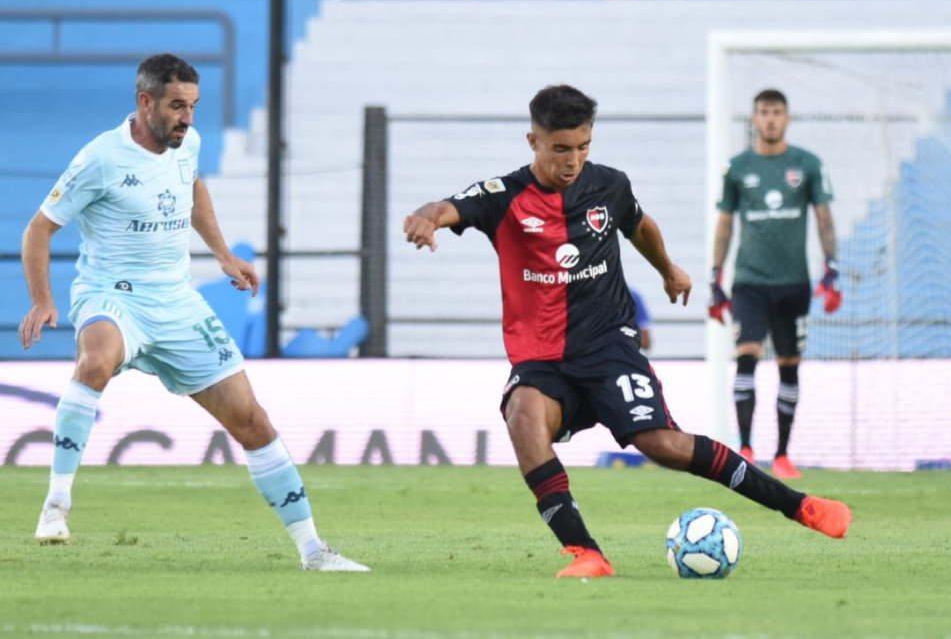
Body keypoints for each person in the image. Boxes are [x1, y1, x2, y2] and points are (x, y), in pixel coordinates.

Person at [403, 84, 851, 579]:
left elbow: (639, 225)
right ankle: (586, 553)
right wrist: (425, 222)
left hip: (609, 347)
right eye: (560, 149)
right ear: (533, 141)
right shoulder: (503, 197)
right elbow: (442, 208)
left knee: (663, 445)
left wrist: (668, 269)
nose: (573, 160)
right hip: (543, 358)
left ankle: (800, 505)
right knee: (522, 415)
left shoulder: (609, 186)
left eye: (583, 146)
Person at [19, 54, 368, 572]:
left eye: (193, 106)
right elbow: (39, 228)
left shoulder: (189, 145)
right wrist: (43, 300)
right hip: (113, 294)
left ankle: (314, 550)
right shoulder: (101, 158)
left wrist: (223, 254)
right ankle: (56, 504)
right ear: (146, 102)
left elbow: (193, 186)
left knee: (252, 420)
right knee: (95, 361)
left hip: (176, 301)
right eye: (177, 106)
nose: (187, 118)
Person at [709, 88, 841, 479]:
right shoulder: (737, 168)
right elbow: (724, 225)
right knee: (746, 354)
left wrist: (831, 267)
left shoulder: (807, 164)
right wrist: (715, 276)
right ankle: (746, 448)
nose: (770, 119)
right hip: (749, 282)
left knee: (788, 364)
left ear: (787, 117)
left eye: (776, 112)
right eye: (764, 113)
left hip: (794, 283)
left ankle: (782, 455)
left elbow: (824, 219)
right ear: (754, 119)